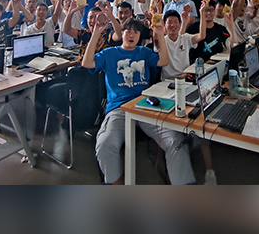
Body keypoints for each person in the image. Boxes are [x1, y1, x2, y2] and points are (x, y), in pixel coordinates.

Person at [83, 14, 196, 185]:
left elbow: (163, 61)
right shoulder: (110, 53)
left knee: (176, 141)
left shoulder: (144, 52)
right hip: (119, 109)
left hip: (144, 105)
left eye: (136, 32)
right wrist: (96, 33)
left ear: (139, 36)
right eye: (128, 31)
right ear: (122, 33)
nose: (131, 35)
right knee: (105, 144)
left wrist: (160, 34)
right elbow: (87, 63)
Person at [158, 6, 207, 80]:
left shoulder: (185, 38)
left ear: (179, 24)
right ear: (164, 25)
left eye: (175, 22)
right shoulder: (162, 41)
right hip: (169, 80)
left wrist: (202, 13)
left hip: (186, 77)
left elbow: (201, 36)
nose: (173, 25)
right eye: (169, 22)